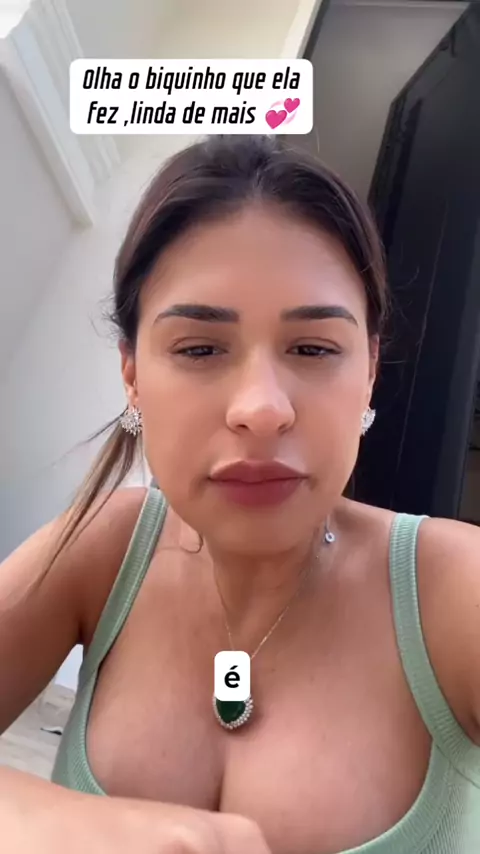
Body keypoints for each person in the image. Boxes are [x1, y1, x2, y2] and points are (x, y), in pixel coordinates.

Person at [1, 134, 480, 854]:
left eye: (313, 348)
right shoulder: (105, 547)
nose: (261, 408)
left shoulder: (453, 591)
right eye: (200, 348)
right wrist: (65, 825)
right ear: (132, 375)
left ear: (369, 372)